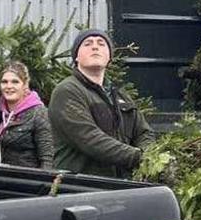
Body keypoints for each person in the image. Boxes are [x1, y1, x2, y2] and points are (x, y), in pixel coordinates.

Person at [48, 29, 154, 179]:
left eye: (101, 43)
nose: (95, 47)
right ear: (76, 57)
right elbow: (90, 139)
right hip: (80, 187)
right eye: (87, 44)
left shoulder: (120, 95)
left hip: (119, 186)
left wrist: (150, 155)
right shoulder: (67, 91)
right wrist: (139, 157)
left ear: (109, 57)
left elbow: (144, 132)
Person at [0, 60, 54, 169]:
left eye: (15, 82)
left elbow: (47, 157)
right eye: (4, 82)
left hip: (27, 180)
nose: (9, 86)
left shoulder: (39, 113)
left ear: (25, 85)